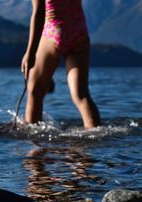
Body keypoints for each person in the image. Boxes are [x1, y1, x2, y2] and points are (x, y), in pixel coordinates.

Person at [21, 0, 101, 129]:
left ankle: (33, 139)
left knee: (35, 91)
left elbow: (39, 13)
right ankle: (97, 134)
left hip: (54, 31)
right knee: (81, 95)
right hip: (80, 32)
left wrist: (30, 52)